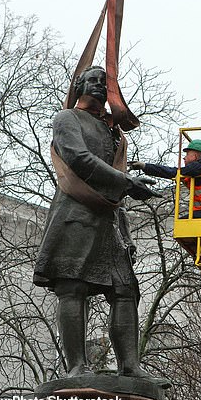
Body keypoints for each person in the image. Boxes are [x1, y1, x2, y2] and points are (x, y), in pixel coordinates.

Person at [33, 66, 164, 383]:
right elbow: (78, 158)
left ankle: (130, 366)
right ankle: (76, 366)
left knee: (125, 290)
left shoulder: (111, 131)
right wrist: (127, 182)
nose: (98, 86)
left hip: (108, 218)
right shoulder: (66, 119)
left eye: (104, 83)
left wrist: (129, 182)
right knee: (72, 286)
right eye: (92, 80)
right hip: (76, 212)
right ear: (78, 86)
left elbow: (111, 166)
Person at [129, 139, 201, 218]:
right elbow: (170, 173)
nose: (184, 157)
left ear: (195, 156)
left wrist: (145, 166)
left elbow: (174, 172)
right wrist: (146, 167)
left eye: (187, 154)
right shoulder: (197, 170)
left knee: (185, 222)